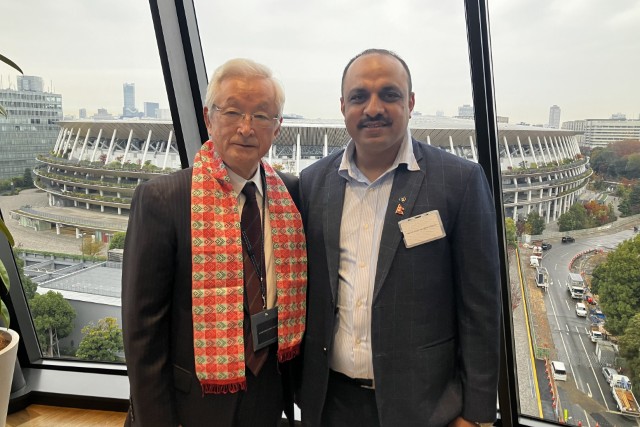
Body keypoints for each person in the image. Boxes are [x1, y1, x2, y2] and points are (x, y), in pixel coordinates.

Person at [298, 49, 501, 427]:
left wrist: (476, 414)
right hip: (329, 403)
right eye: (359, 96)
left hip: (424, 406)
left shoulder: (459, 181)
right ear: (343, 106)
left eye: (389, 94)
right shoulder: (312, 182)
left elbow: (481, 308)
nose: (373, 108)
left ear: (410, 102)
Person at [122, 58, 307, 427]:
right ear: (209, 118)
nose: (246, 128)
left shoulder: (292, 194)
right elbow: (143, 332)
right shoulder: (164, 200)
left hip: (267, 393)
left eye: (261, 116)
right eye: (232, 112)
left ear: (277, 127)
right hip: (189, 404)